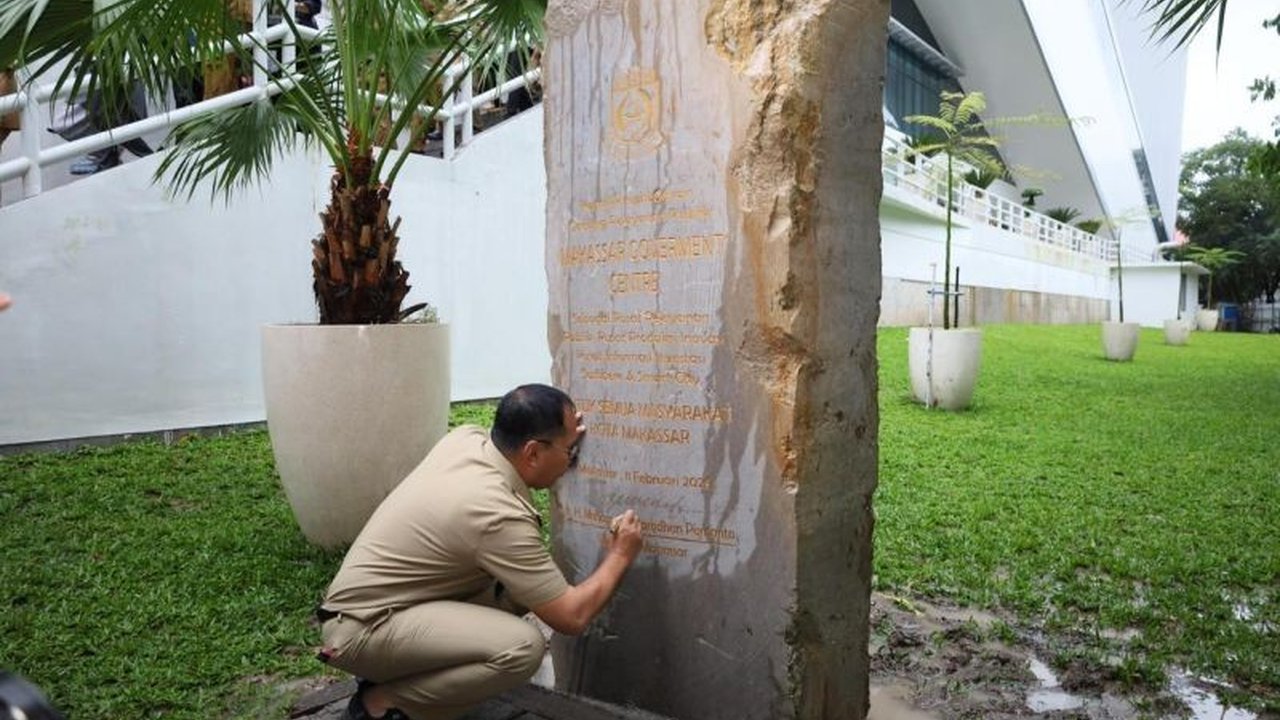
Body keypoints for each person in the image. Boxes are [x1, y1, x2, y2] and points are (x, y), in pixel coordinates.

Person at [317, 384, 643, 720]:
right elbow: (570, 616)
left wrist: (559, 432)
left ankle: (401, 669)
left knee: (518, 593)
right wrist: (619, 555)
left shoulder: (467, 439)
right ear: (532, 452)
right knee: (521, 648)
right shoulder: (493, 512)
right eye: (571, 451)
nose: (572, 462)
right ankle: (384, 703)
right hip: (361, 630)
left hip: (383, 607)